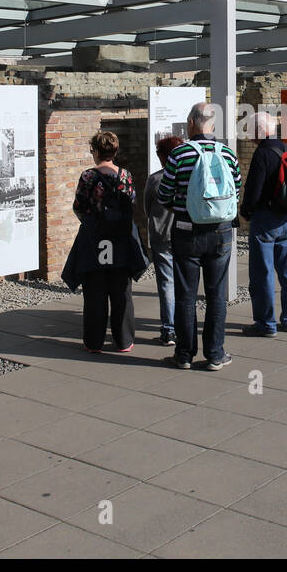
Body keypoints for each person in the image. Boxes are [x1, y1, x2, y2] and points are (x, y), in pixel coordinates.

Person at [158, 103, 242, 371]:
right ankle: (216, 354)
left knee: (186, 294)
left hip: (186, 232)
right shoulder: (229, 154)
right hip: (221, 232)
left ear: (192, 123)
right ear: (213, 125)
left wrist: (183, 210)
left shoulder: (179, 154)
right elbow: (236, 193)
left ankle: (184, 355)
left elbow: (163, 195)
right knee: (216, 294)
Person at [63, 131, 149, 354]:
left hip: (94, 241)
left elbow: (79, 206)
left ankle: (94, 342)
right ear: (115, 151)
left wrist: (93, 222)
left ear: (97, 151)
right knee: (122, 294)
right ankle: (124, 341)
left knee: (94, 295)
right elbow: (132, 203)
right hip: (121, 240)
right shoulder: (125, 175)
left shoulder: (88, 177)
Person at [240, 111, 287, 337]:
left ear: (260, 131)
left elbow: (253, 190)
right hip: (286, 219)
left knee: (262, 272)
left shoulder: (262, 153)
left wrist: (245, 212)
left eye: (251, 130)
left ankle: (266, 323)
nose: (250, 135)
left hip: (265, 220)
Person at [144, 135, 183, 346]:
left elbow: (147, 209)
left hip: (161, 236)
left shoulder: (155, 179)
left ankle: (169, 329)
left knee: (166, 283)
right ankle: (183, 325)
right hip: (184, 234)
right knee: (185, 281)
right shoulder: (188, 177)